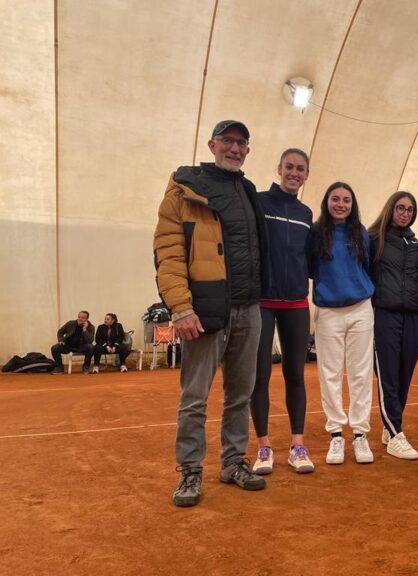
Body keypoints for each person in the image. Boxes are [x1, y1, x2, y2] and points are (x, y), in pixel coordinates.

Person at [154, 119, 271, 508]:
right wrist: (181, 308)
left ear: (247, 150)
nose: (235, 148)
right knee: (195, 398)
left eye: (242, 143)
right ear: (211, 145)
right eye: (227, 141)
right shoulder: (184, 191)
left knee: (240, 394)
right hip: (204, 312)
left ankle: (233, 462)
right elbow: (169, 255)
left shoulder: (247, 191)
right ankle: (190, 469)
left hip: (249, 309)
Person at [249, 148, 314, 475]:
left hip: (297, 304)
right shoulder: (259, 203)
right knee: (260, 374)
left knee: (295, 375)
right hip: (262, 303)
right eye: (289, 167)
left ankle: (297, 445)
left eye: (300, 169)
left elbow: (311, 257)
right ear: (279, 168)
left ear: (306, 175)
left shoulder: (306, 214)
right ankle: (263, 447)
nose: (294, 173)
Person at [309, 182, 375, 465]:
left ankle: (360, 434)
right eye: (335, 199)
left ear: (352, 204)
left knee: (361, 374)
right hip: (328, 312)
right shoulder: (315, 233)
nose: (340, 204)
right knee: (330, 374)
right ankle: (336, 434)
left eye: (346, 200)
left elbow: (366, 266)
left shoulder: (360, 232)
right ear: (327, 202)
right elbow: (310, 268)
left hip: (361, 309)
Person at [368, 191, 418, 460]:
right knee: (388, 376)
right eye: (400, 208)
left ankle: (390, 427)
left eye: (409, 210)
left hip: (413, 315)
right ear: (391, 209)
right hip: (384, 315)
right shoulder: (374, 239)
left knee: (404, 375)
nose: (405, 213)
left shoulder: (415, 243)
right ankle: (395, 433)